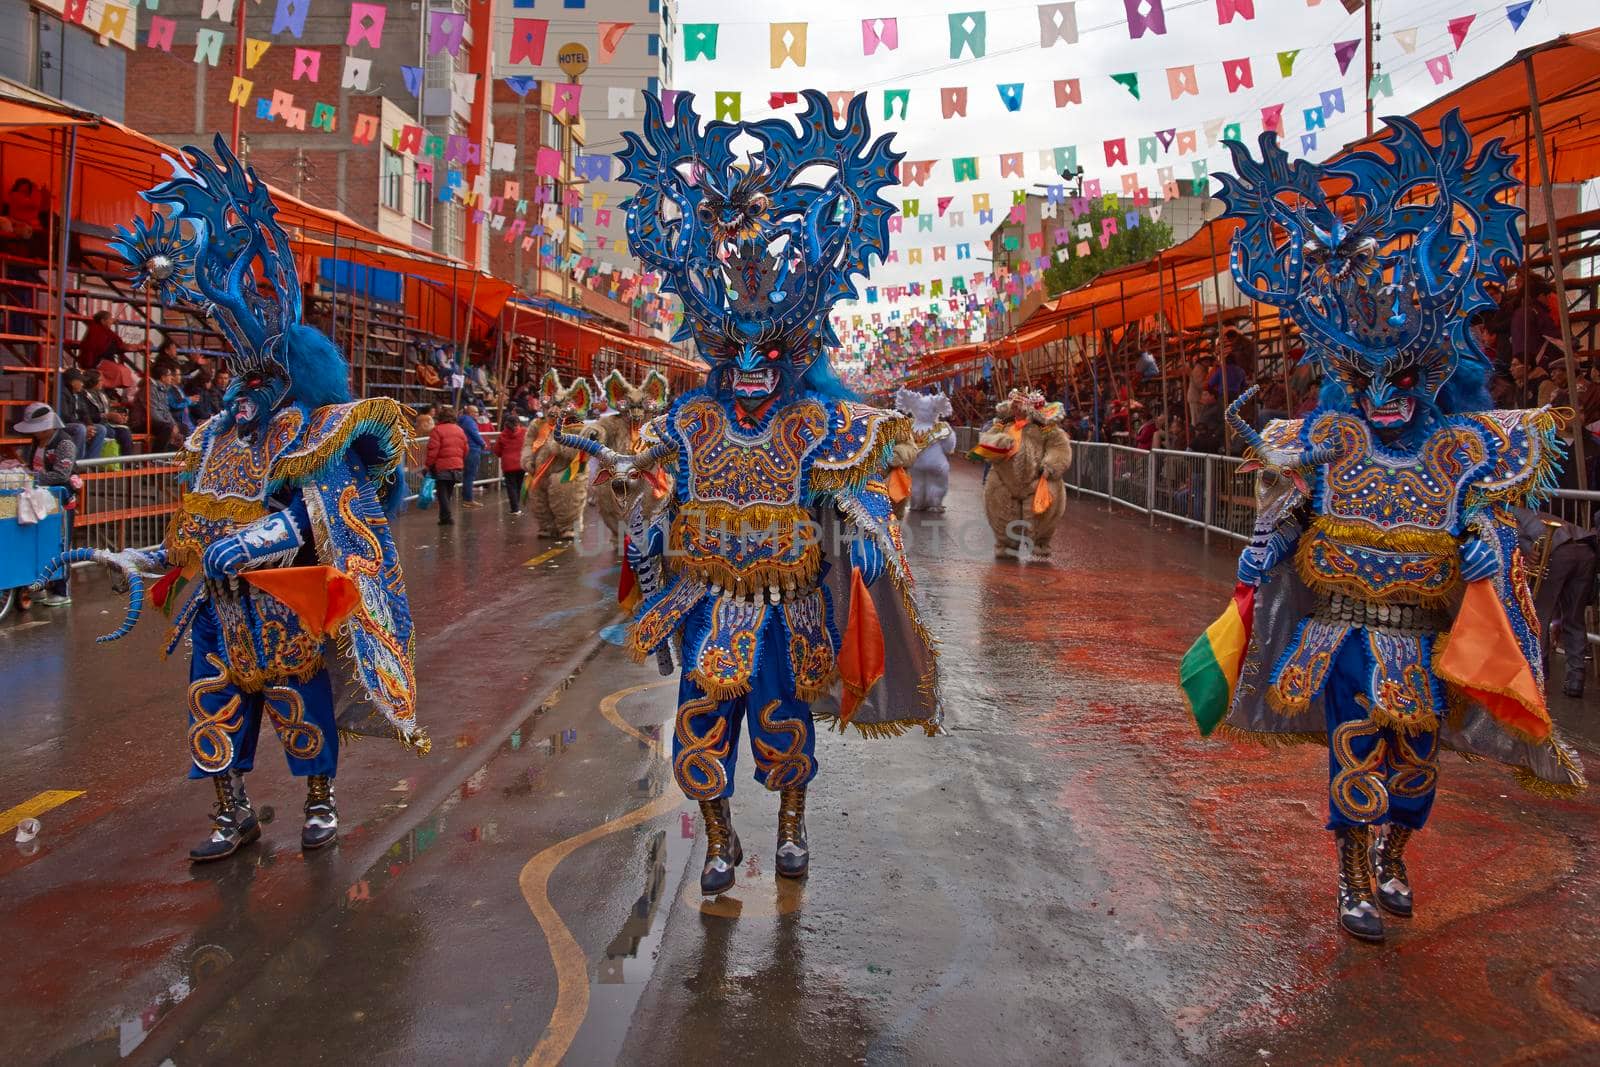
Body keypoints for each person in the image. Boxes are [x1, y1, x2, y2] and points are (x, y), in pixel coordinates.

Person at [1183, 112, 1586, 945]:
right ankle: (1354, 875)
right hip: (1345, 638)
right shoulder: (1328, 445)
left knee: (1418, 767)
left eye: (1397, 374)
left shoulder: (1462, 450)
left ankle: (1397, 851)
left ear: (1431, 371)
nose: (1381, 394)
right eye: (1363, 377)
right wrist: (1271, 541)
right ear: (1345, 378)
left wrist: (1490, 548)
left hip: (1426, 638)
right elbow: (1290, 514)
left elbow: (1504, 532)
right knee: (1355, 752)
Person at [606, 89, 939, 895]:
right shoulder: (690, 419)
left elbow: (855, 493)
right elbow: (659, 493)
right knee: (700, 723)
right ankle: (719, 841)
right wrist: (644, 528)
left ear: (793, 349)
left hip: (789, 605)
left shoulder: (815, 422)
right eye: (735, 346)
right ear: (715, 344)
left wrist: (859, 532)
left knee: (783, 722)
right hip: (709, 600)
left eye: (770, 348)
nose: (752, 364)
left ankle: (790, 823)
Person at [61, 135, 424, 861]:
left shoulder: (313, 436)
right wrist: (138, 555)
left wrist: (256, 542)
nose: (250, 393)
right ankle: (232, 812)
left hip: (286, 604)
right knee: (213, 709)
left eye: (265, 378)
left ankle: (319, 802)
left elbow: (316, 514)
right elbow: (192, 529)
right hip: (221, 614)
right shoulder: (215, 440)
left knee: (303, 707)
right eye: (244, 379)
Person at [15, 402, 76, 605]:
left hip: (61, 499)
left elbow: (62, 473)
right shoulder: (36, 443)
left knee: (61, 543)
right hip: (40, 499)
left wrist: (33, 478)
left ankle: (62, 590)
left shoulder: (64, 443)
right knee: (39, 544)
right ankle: (39, 586)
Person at [425, 404, 468, 526]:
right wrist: (460, 460)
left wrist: (428, 465)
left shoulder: (437, 430)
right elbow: (466, 449)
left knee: (442, 492)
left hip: (442, 466)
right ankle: (444, 517)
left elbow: (433, 450)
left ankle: (446, 516)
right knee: (448, 492)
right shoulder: (460, 430)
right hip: (457, 466)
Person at [58, 369, 106, 460]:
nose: (83, 384)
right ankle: (76, 462)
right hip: (62, 424)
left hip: (78, 423)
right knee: (80, 429)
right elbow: (65, 416)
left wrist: (90, 425)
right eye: (80, 381)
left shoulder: (79, 394)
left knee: (100, 429)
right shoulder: (62, 393)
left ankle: (90, 462)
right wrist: (85, 426)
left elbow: (84, 413)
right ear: (72, 382)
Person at [494, 413, 528, 515]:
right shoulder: (524, 432)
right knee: (518, 485)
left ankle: (515, 508)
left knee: (511, 487)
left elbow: (497, 451)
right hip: (521, 463)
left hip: (508, 465)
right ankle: (516, 505)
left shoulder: (503, 435)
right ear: (518, 422)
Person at [457, 403, 487, 507]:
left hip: (466, 449)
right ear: (470, 413)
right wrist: (482, 443)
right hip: (472, 450)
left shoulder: (462, 420)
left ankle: (466, 497)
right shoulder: (469, 422)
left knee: (467, 475)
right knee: (470, 475)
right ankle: (468, 499)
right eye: (475, 412)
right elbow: (474, 434)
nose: (477, 414)